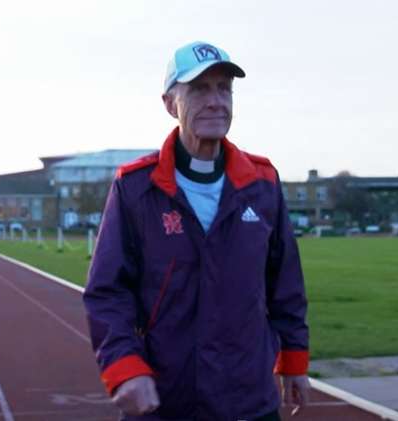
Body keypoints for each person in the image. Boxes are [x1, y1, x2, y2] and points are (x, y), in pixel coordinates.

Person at [83, 41, 310, 421]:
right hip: (165, 398)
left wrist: (295, 360)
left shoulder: (263, 183)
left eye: (224, 88)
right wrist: (125, 367)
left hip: (247, 398)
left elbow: (284, 282)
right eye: (199, 89)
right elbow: (108, 291)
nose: (215, 101)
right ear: (170, 103)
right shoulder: (136, 187)